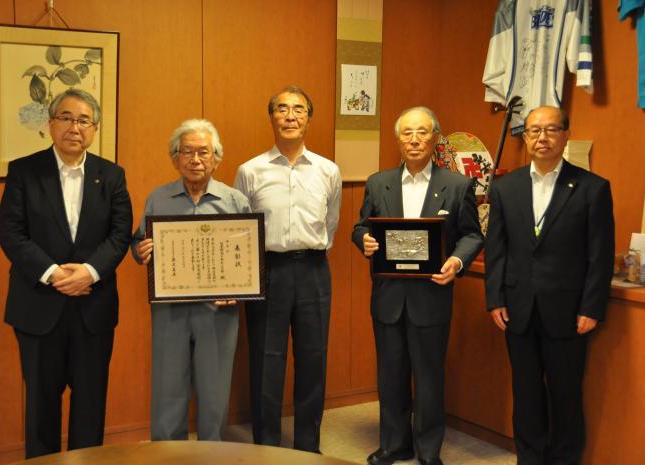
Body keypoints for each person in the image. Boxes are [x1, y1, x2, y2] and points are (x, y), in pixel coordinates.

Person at [0, 88, 132, 458]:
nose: (75, 127)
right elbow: (10, 231)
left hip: (94, 307)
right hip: (38, 306)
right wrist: (54, 274)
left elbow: (120, 234)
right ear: (51, 124)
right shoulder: (25, 171)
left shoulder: (112, 175)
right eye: (67, 118)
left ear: (95, 128)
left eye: (84, 120)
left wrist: (89, 271)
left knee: (90, 403)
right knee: (40, 404)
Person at [352, 106, 483, 465]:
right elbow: (361, 226)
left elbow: (472, 234)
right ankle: (395, 444)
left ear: (435, 138)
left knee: (428, 379)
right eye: (407, 133)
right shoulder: (379, 182)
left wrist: (456, 262)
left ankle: (428, 451)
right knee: (390, 376)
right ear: (398, 139)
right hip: (389, 298)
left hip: (432, 295)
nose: (414, 140)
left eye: (422, 132)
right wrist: (363, 240)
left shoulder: (457, 185)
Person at [484, 105, 615, 465]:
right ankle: (529, 458)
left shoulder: (592, 188)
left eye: (551, 130)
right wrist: (495, 299)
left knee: (566, 395)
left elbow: (599, 256)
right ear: (525, 137)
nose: (542, 138)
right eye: (534, 131)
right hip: (518, 310)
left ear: (565, 135)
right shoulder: (505, 188)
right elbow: (497, 249)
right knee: (526, 394)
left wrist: (591, 308)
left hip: (569, 312)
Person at [234, 85, 342, 452]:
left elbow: (331, 224)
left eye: (298, 109)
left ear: (309, 118)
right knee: (267, 359)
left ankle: (308, 444)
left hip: (314, 270)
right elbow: (241, 227)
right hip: (268, 271)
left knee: (313, 357)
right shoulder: (250, 171)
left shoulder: (328, 170)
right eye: (282, 108)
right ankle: (266, 445)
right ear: (272, 118)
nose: (290, 115)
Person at [132, 119, 250, 441]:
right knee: (169, 387)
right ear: (175, 158)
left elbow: (248, 257)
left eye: (203, 152)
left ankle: (211, 453)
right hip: (170, 308)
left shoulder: (234, 201)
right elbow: (137, 242)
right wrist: (140, 250)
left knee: (215, 390)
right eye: (187, 152)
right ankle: (168, 455)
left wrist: (240, 291)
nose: (195, 160)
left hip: (218, 309)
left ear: (216, 158)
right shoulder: (159, 198)